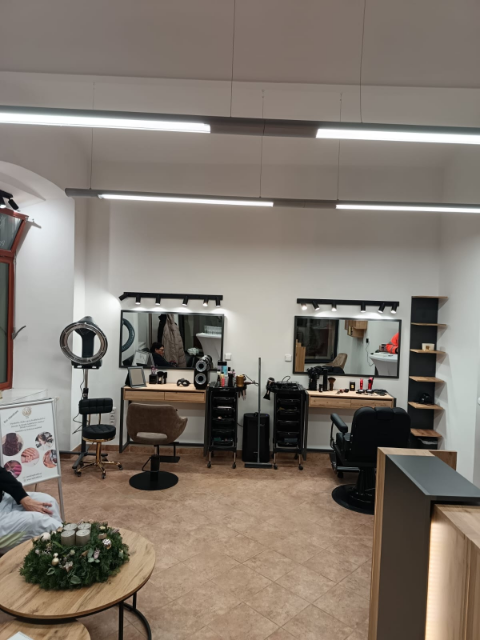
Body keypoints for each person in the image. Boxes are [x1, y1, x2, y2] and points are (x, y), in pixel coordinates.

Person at [0, 464, 62, 553]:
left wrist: (23, 497)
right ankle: (71, 549)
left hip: (3, 499)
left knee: (49, 504)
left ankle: (55, 550)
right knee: (40, 522)